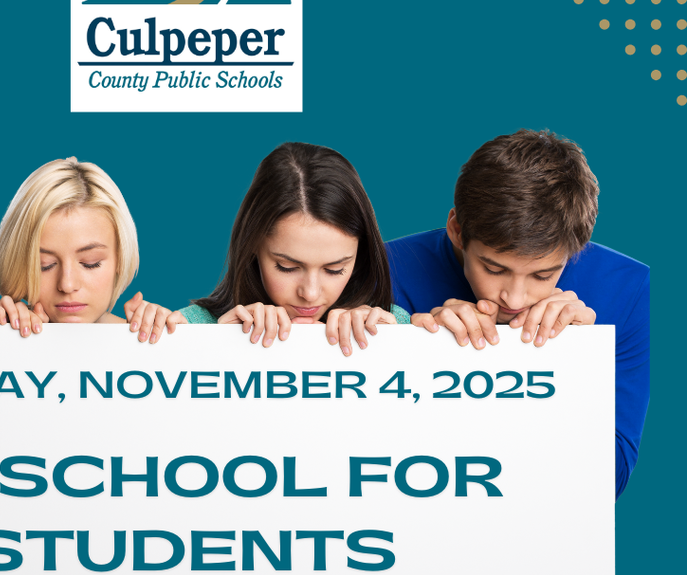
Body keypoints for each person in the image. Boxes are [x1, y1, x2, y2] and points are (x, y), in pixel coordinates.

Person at [386, 128, 649, 498]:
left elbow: (609, 484)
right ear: (457, 231)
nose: (514, 298)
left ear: (576, 250)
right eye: (494, 269)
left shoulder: (627, 289)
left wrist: (572, 367)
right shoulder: (385, 269)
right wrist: (418, 348)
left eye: (543, 275)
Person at [177, 142, 408, 354]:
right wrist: (215, 346)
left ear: (361, 253)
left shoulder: (392, 325)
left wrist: (399, 346)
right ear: (252, 244)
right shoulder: (189, 328)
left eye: (335, 269)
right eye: (286, 267)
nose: (310, 294)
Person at [0, 157, 178, 338]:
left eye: (90, 263)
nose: (67, 285)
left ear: (120, 258)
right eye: (44, 265)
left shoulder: (158, 339)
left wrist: (178, 341)